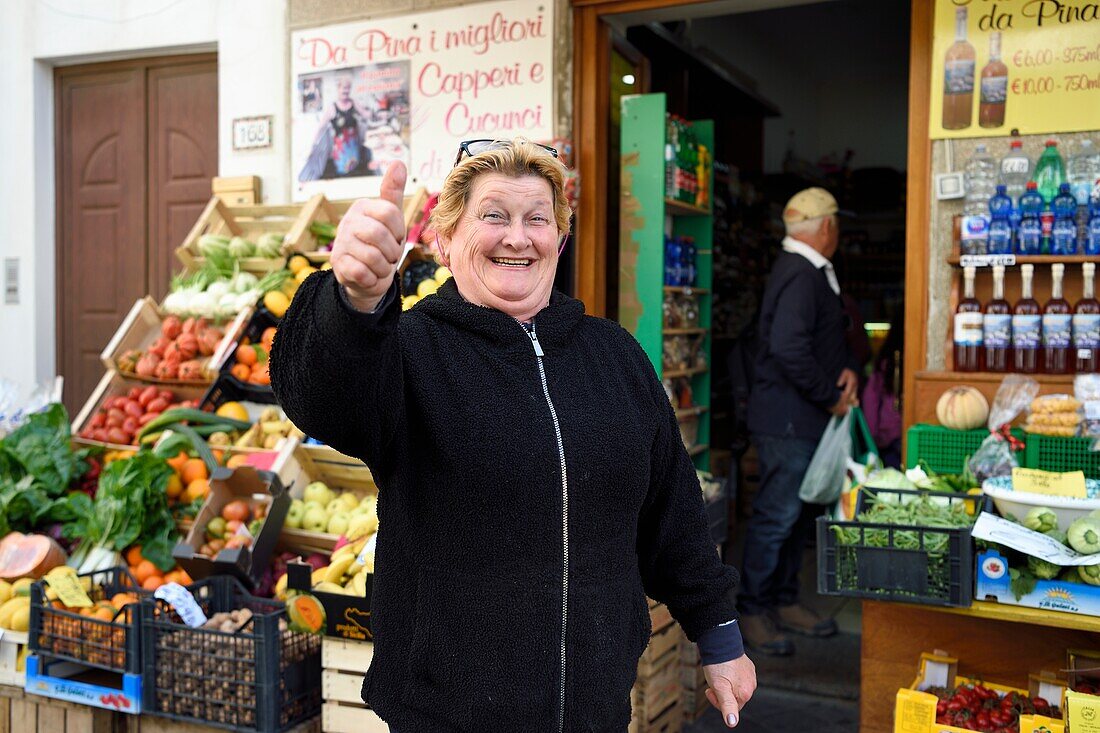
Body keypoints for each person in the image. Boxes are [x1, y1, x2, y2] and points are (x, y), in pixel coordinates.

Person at [271, 139, 756, 732]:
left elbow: (670, 509)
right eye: (494, 215)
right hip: (446, 716)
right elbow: (322, 397)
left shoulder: (612, 356)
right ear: (445, 239)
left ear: (559, 239)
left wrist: (718, 632)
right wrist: (353, 300)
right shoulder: (410, 351)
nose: (518, 237)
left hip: (595, 712)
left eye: (537, 219)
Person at [738, 187, 859, 656]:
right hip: (789, 421)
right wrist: (829, 395)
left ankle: (784, 601)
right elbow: (789, 347)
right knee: (777, 516)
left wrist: (843, 367)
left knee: (796, 514)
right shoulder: (802, 273)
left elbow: (813, 339)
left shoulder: (807, 271)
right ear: (827, 227)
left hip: (801, 419)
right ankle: (751, 610)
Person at [299, 74, 373, 182]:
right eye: (343, 88)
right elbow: (320, 128)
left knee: (355, 175)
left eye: (348, 88)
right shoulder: (332, 108)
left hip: (355, 148)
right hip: (341, 152)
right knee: (344, 176)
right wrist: (313, 145)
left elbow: (366, 114)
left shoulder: (353, 103)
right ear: (338, 89)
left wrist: (373, 111)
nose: (346, 91)